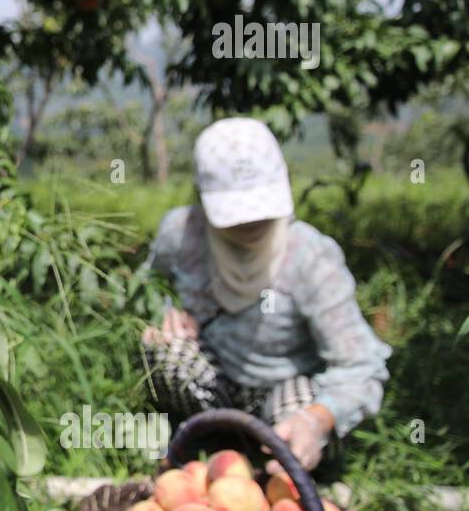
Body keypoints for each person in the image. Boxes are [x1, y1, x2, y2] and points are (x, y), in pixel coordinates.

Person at [142, 117, 391, 472]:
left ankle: (282, 450)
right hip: (215, 380)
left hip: (283, 389)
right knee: (162, 350)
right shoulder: (181, 236)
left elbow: (361, 364)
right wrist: (166, 313)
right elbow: (146, 288)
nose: (249, 223)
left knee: (303, 412)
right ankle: (212, 438)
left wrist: (317, 419)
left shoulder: (308, 256)